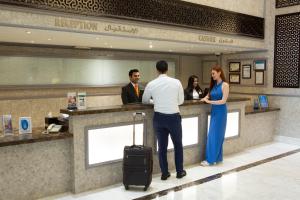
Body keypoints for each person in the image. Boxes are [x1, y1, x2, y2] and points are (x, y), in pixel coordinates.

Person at [142, 60, 186, 180]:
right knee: (178, 145)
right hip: (174, 118)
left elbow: (145, 100)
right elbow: (181, 101)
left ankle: (165, 173)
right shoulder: (176, 82)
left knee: (162, 147)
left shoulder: (151, 83)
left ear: (157, 70)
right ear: (167, 69)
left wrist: (155, 101)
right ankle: (179, 171)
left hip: (159, 118)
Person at [200, 65, 229, 166]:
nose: (212, 75)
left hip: (221, 113)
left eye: (213, 73)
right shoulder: (213, 85)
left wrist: (209, 101)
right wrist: (205, 99)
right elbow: (207, 96)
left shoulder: (225, 85)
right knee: (213, 135)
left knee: (215, 136)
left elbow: (223, 101)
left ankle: (210, 160)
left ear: (219, 72)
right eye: (211, 74)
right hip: (214, 112)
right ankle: (217, 157)